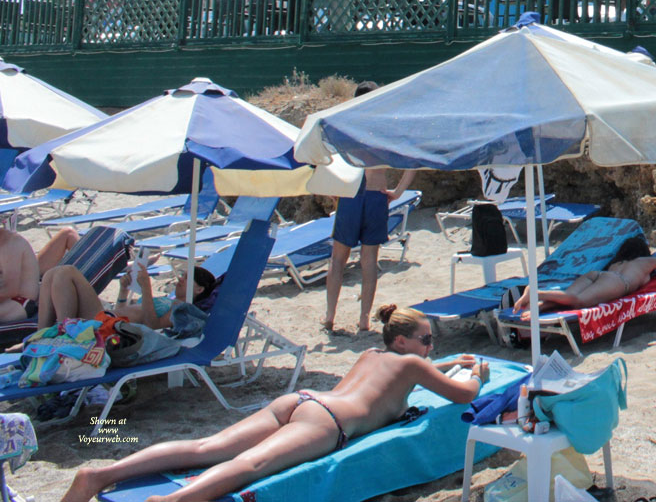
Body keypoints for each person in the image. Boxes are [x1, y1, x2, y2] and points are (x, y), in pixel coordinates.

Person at [61, 304, 489, 502]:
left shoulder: (372, 355)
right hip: (328, 423)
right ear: (403, 341)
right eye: (427, 340)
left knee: (207, 447)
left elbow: (393, 377)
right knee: (252, 466)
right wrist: (475, 372)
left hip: (302, 402)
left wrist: (447, 360)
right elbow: (465, 394)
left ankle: (100, 475)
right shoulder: (414, 367)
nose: (431, 347)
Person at [323, 81, 416, 332]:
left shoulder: (346, 125)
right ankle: (364, 319)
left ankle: (330, 317)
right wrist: (398, 191)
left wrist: (333, 190)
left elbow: (326, 157)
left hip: (351, 195)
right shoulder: (386, 128)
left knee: (338, 260)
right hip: (376, 195)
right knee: (369, 261)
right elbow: (413, 159)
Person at [513, 236, 656, 319]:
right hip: (618, 282)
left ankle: (541, 305)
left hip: (599, 274)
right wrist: (653, 260)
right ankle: (535, 292)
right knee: (579, 301)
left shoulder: (618, 262)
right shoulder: (644, 262)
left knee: (570, 298)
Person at [37, 263, 217, 330]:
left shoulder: (181, 309)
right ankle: (42, 334)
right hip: (107, 318)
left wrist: (147, 288)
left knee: (66, 272)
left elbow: (152, 325)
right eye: (182, 275)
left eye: (187, 278)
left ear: (199, 289)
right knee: (51, 274)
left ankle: (61, 332)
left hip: (105, 327)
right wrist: (123, 291)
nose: (180, 279)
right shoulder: (169, 300)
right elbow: (124, 311)